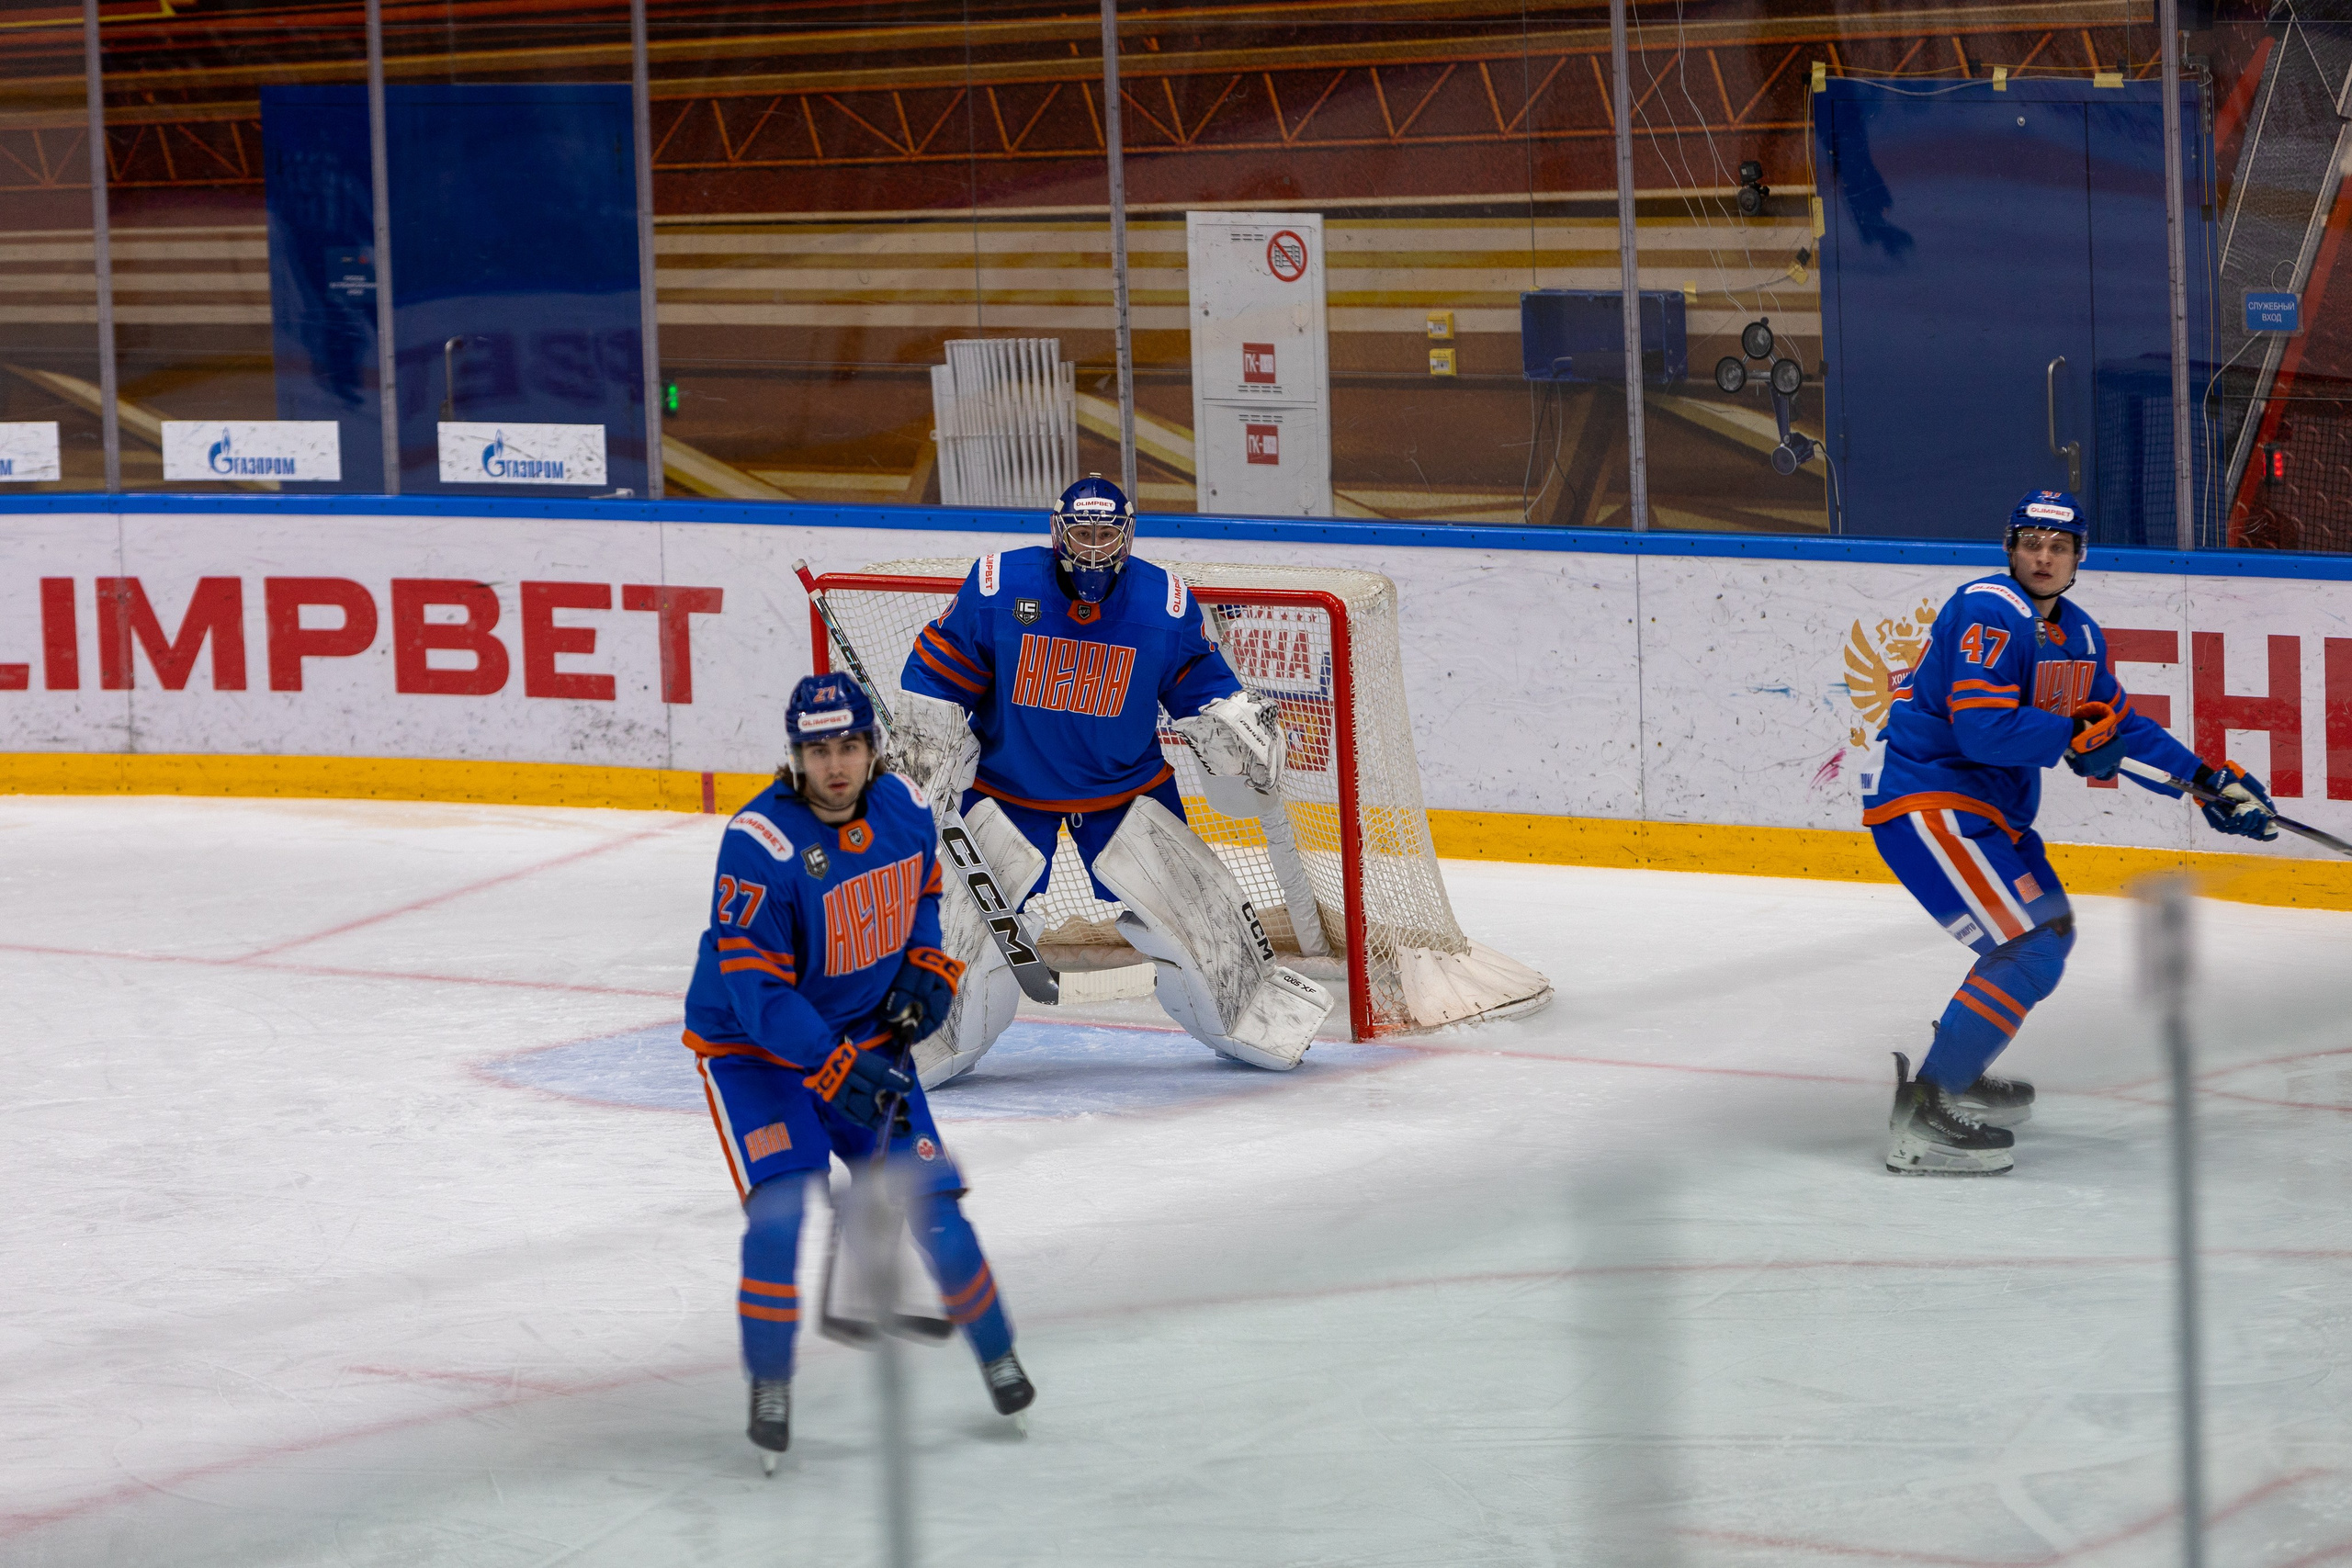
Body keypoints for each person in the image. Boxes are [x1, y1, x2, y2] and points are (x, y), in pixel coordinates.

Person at [1863, 489, 2279, 1176]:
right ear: (2010, 549)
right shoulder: (1988, 607)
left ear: (2079, 557)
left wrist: (2209, 781)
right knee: (2026, 945)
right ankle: (1924, 1112)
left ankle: (1957, 1067)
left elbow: (2120, 726)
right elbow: (1982, 729)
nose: (2044, 557)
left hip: (1991, 814)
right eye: (2031, 543)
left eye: (2059, 547)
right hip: (1931, 801)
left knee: (2048, 934)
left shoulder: (2079, 636)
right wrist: (2071, 737)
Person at [682, 674, 1034, 1472]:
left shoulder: (904, 806)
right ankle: (771, 1385)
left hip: (864, 1039)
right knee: (780, 1216)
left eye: (848, 746)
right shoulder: (759, 844)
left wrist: (925, 962)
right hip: (758, 1056)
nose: (834, 765)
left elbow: (924, 891)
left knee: (934, 1207)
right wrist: (832, 1061)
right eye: (818, 750)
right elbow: (758, 994)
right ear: (795, 756)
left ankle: (999, 1356)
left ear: (872, 748)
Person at [890, 472, 1336, 1086]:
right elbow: (938, 673)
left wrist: (1230, 721)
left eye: (1106, 533)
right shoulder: (998, 586)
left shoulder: (1164, 603)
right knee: (957, 935)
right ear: (1058, 532)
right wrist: (929, 738)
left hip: (1126, 792)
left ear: (1127, 535)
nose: (1095, 546)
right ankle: (925, 1032)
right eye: (1083, 532)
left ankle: (1250, 1014)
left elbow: (1199, 685)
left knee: (1205, 925)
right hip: (1009, 789)